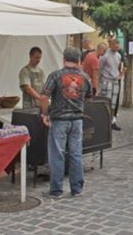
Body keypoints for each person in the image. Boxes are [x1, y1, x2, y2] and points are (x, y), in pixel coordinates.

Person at [40, 46, 93, 198]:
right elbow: (90, 97)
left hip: (59, 120)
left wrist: (45, 114)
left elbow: (44, 97)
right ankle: (77, 188)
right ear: (78, 61)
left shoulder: (55, 76)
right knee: (76, 154)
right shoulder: (85, 77)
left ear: (64, 59)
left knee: (57, 154)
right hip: (77, 120)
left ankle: (56, 190)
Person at [99, 38, 123, 130]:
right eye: (115, 45)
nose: (117, 47)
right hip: (106, 80)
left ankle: (111, 121)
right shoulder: (105, 56)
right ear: (111, 45)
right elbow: (100, 68)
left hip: (115, 80)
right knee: (107, 102)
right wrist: (100, 82)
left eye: (118, 45)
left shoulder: (118, 55)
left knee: (114, 103)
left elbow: (118, 67)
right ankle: (104, 121)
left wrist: (120, 75)